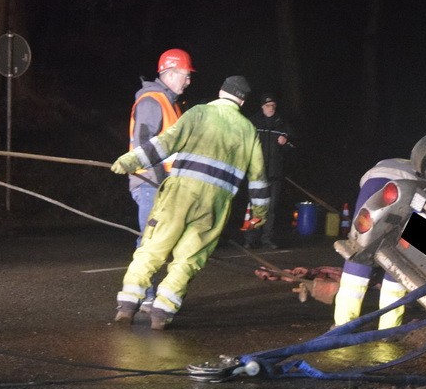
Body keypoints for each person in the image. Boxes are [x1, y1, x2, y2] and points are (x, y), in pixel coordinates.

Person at [109, 75, 270, 330]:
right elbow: (259, 178)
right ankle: (161, 312)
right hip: (215, 205)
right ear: (242, 100)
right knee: (189, 258)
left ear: (221, 91)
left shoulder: (198, 114)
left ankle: (127, 306)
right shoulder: (248, 130)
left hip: (180, 194)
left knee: (153, 248)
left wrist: (129, 162)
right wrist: (259, 211)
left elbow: (163, 144)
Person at [332, 158, 418, 330]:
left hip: (375, 181)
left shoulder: (390, 164)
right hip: (418, 190)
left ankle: (342, 324)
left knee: (359, 249)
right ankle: (389, 328)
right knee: (403, 259)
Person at [129, 48, 194, 235]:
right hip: (151, 183)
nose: (189, 82)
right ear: (171, 74)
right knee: (151, 245)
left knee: (162, 245)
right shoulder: (151, 101)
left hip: (165, 183)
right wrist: (160, 181)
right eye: (186, 76)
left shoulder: (172, 105)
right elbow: (144, 144)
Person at [245, 93, 294, 249]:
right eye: (267, 105)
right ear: (262, 107)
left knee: (271, 208)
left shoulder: (281, 124)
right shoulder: (253, 122)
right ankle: (251, 239)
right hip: (257, 173)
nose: (271, 108)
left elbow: (293, 147)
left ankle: (267, 239)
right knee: (255, 207)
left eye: (273, 105)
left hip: (275, 172)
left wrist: (286, 143)